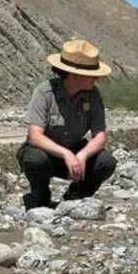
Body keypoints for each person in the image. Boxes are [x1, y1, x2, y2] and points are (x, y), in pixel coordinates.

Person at [17, 39, 117, 210]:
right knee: (35, 159)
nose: (97, 78)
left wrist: (83, 155)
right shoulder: (45, 92)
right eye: (92, 74)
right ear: (74, 75)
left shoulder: (93, 95)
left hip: (76, 155)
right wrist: (65, 154)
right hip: (46, 155)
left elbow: (100, 136)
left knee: (106, 161)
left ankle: (76, 196)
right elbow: (35, 136)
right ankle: (40, 198)